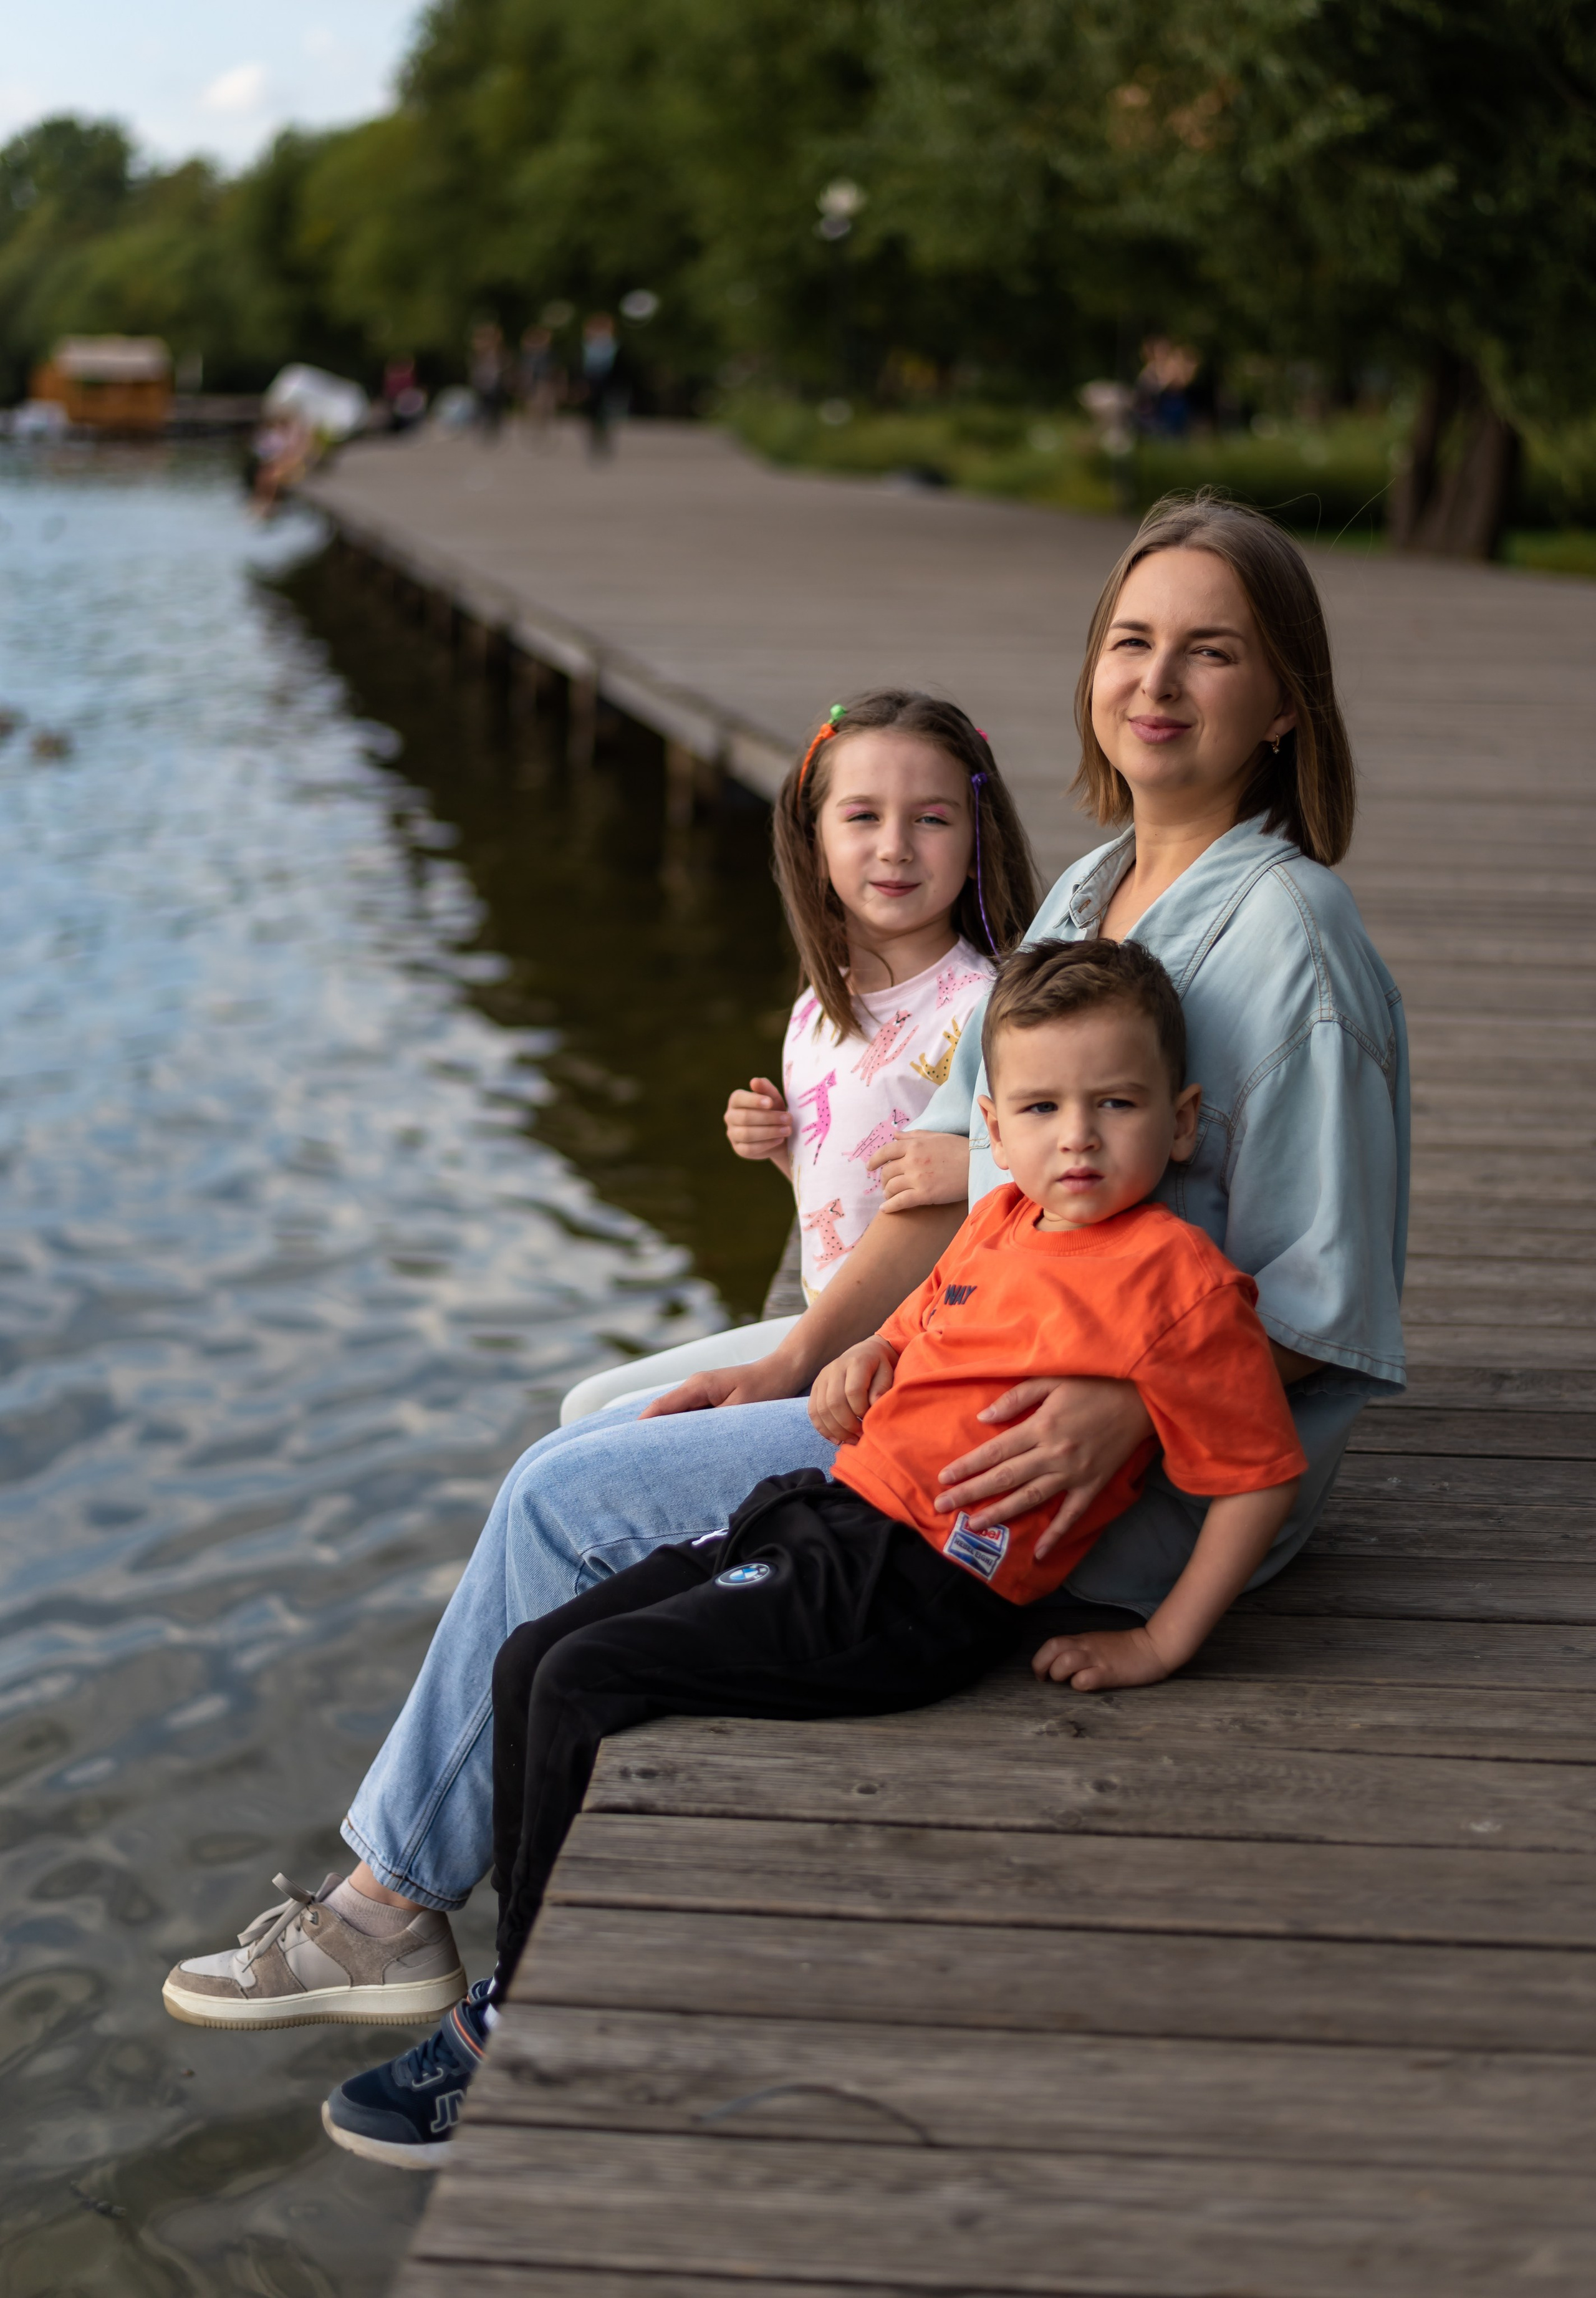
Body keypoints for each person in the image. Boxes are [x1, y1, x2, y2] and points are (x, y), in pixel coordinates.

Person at [163, 493, 1406, 2111]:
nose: (1158, 681)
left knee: (560, 1497)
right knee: (614, 1424)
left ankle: (400, 1919)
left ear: (1286, 695)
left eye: (1211, 650)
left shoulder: (1292, 936)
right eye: (1131, 640)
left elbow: (1330, 1302)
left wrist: (1118, 1402)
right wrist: (812, 1348)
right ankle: (414, 1893)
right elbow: (950, 1184)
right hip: (968, 1366)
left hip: (1117, 1465)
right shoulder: (1092, 883)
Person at [320, 936, 1307, 2163]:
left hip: (915, 1587)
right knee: (530, 1654)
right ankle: (524, 1968)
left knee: (582, 1679)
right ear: (995, 1122)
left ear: (1180, 1119)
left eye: (1116, 1105)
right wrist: (865, 1357)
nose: (1079, 1139)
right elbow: (934, 1316)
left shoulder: (1177, 1286)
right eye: (1045, 1109)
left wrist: (1160, 1641)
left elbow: (1256, 1472)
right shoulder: (1003, 1215)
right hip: (828, 1512)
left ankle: (520, 2026)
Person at [723, 691, 1036, 1302]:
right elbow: (844, 1196)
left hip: (928, 1343)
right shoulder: (816, 1004)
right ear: (815, 845)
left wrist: (976, 1166)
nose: (895, 845)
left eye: (931, 819)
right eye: (863, 815)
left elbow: (1052, 1167)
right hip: (822, 1322)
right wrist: (778, 1143)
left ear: (977, 846)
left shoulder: (988, 1010)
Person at [577, 313, 628, 457]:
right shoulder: (584, 346)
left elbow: (623, 370)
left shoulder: (616, 346)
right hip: (590, 385)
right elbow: (578, 368)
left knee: (608, 414)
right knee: (591, 415)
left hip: (609, 385)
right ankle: (595, 439)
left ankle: (605, 439)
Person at [516, 326, 560, 442]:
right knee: (532, 408)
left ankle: (543, 430)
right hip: (531, 384)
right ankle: (534, 430)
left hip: (544, 383)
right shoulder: (527, 356)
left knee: (544, 406)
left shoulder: (547, 354)